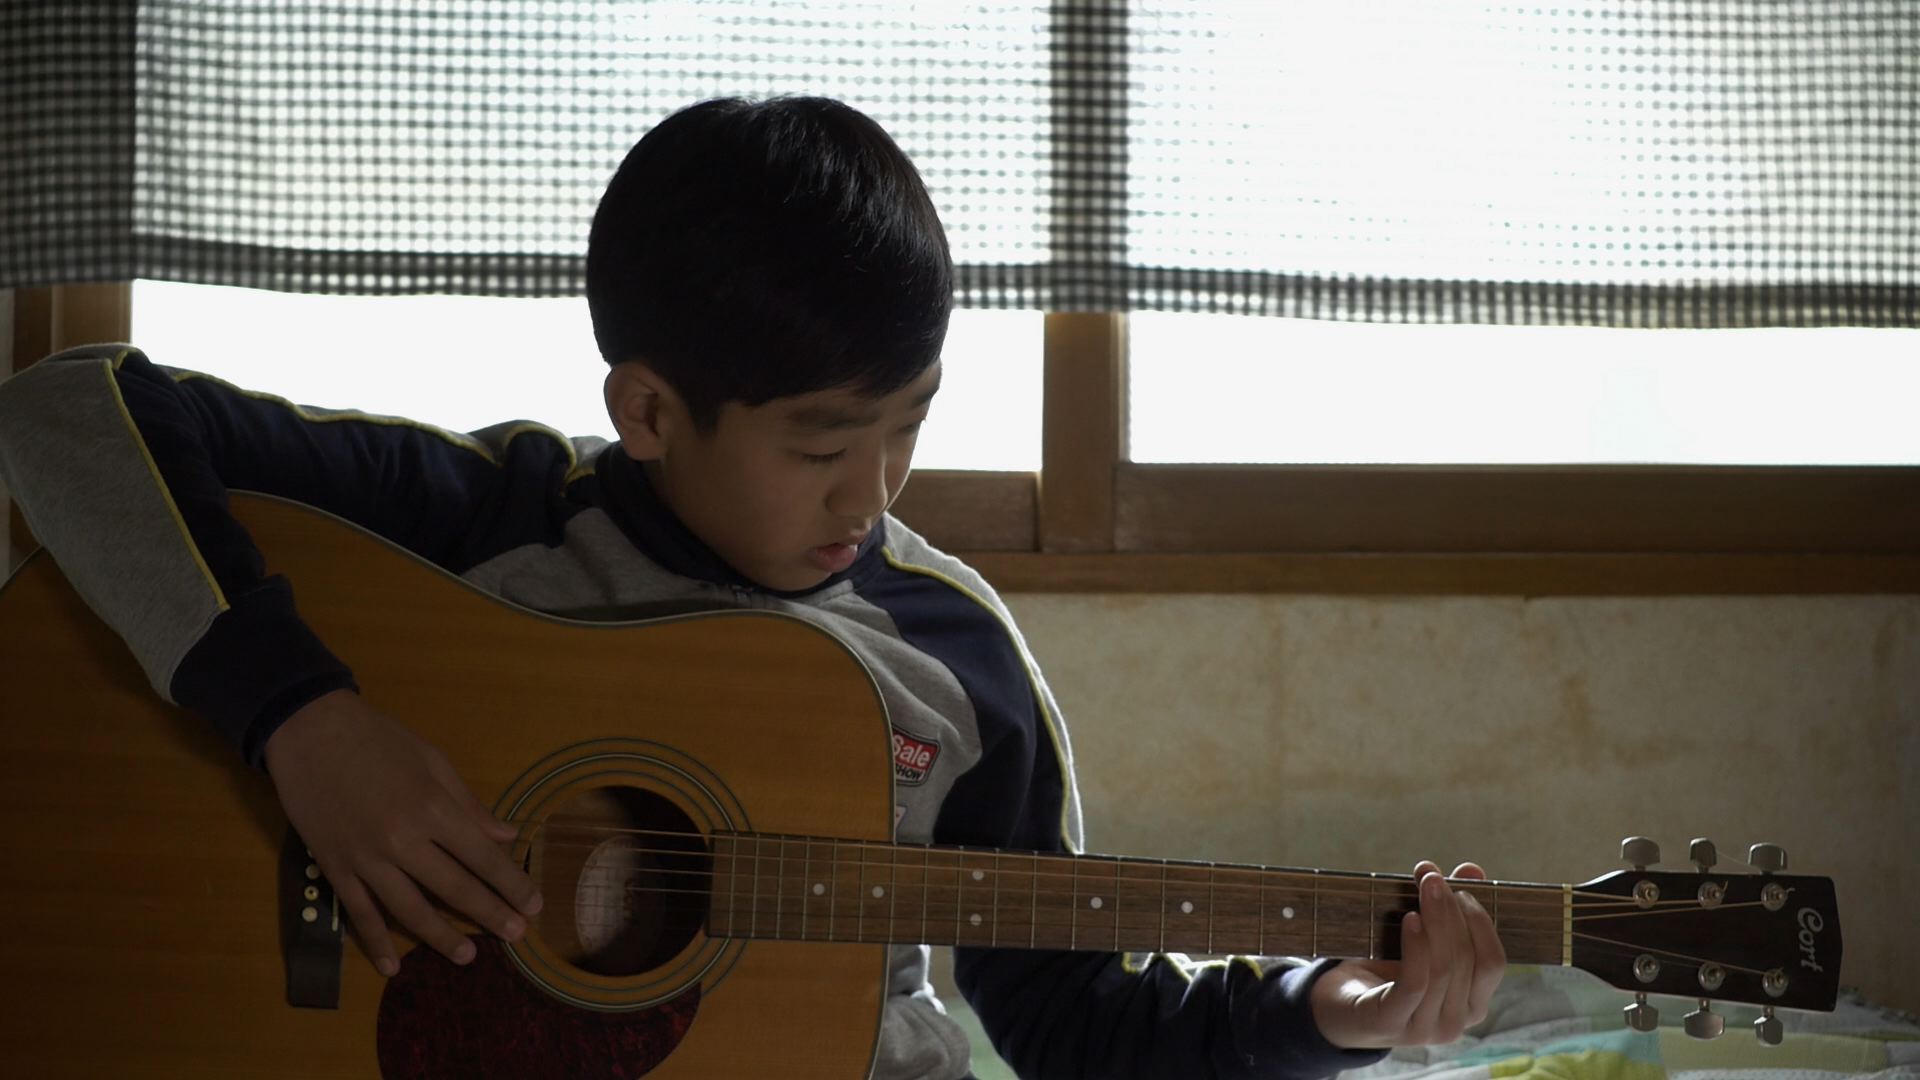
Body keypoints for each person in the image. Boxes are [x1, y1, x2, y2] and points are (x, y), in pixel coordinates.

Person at [0, 96, 1503, 1079]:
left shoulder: (953, 657)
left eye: (910, 427)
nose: (876, 493)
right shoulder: (493, 519)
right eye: (825, 446)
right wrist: (308, 727)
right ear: (649, 411)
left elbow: (1070, 1019)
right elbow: (62, 413)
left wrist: (1324, 1015)